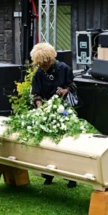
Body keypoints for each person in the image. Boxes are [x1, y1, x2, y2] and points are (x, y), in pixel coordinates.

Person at [30, 42, 77, 187]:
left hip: (63, 110)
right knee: (48, 144)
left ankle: (71, 177)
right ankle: (48, 175)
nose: (43, 67)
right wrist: (39, 105)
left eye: (44, 64)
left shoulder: (64, 69)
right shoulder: (38, 73)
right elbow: (36, 94)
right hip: (47, 112)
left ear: (50, 59)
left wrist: (65, 90)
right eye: (40, 65)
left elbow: (73, 85)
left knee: (66, 143)